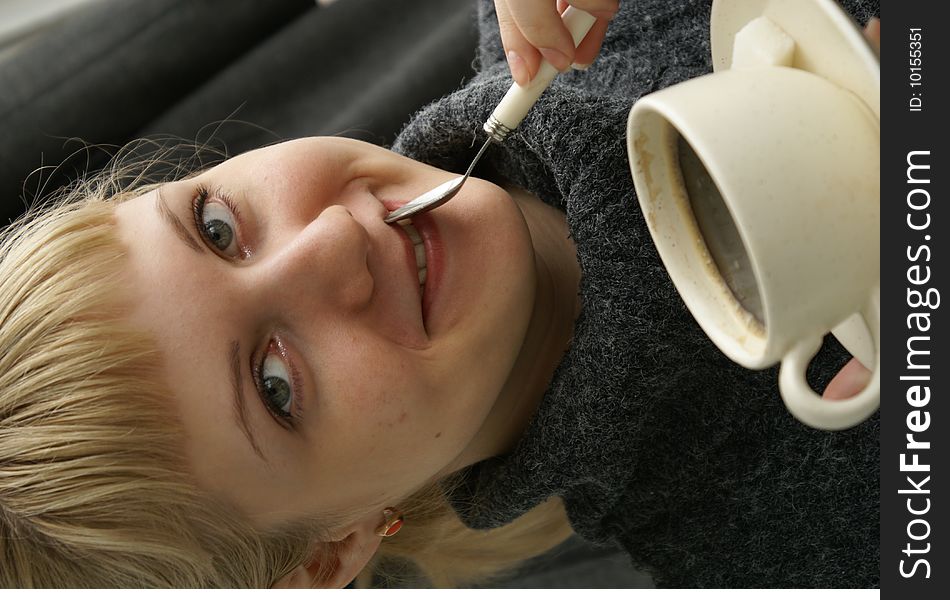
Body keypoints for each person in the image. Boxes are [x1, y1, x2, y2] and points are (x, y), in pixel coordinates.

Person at [0, 0, 879, 588]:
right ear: (327, 556)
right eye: (275, 385)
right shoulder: (811, 550)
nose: (334, 244)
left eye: (218, 227)